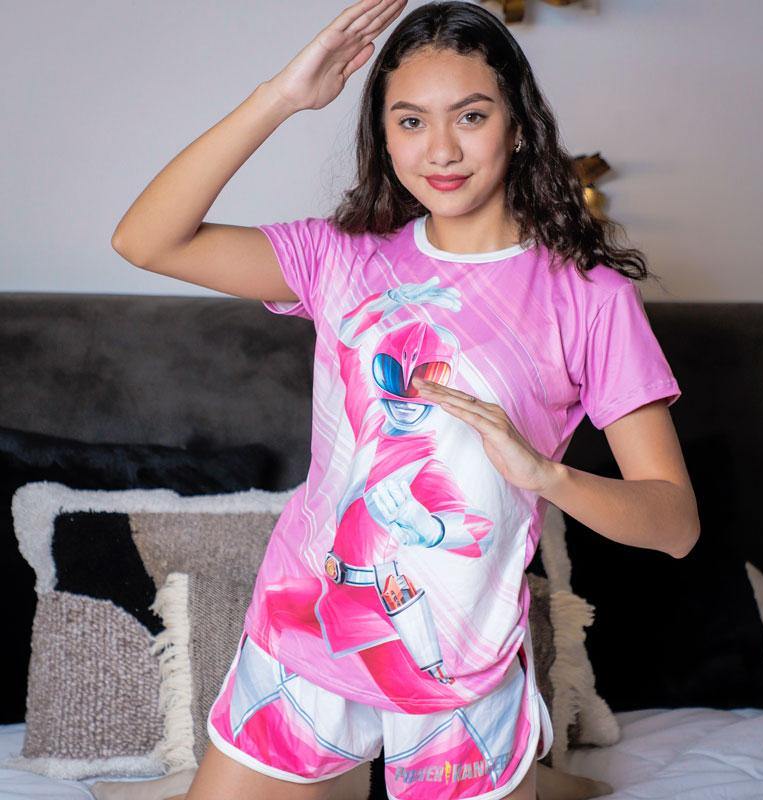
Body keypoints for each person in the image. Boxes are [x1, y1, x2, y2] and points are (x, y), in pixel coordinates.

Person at [111, 2, 700, 799]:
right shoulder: (340, 258)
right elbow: (145, 240)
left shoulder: (589, 298)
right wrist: (281, 96)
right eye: (412, 121)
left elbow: (675, 526)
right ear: (384, 137)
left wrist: (546, 475)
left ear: (518, 127)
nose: (442, 150)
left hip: (459, 663)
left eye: (472, 116)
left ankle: (548, 781)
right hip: (306, 630)